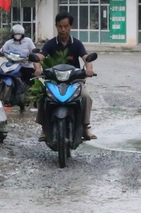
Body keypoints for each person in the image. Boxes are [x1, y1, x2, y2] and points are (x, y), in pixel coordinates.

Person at [34, 12, 96, 140]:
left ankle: (85, 128)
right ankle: (45, 129)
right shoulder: (51, 44)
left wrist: (89, 70)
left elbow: (86, 58)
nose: (63, 30)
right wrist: (37, 68)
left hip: (74, 81)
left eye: (66, 26)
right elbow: (40, 57)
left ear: (71, 26)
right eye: (60, 26)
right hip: (54, 81)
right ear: (56, 26)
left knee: (86, 97)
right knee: (43, 96)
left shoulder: (77, 44)